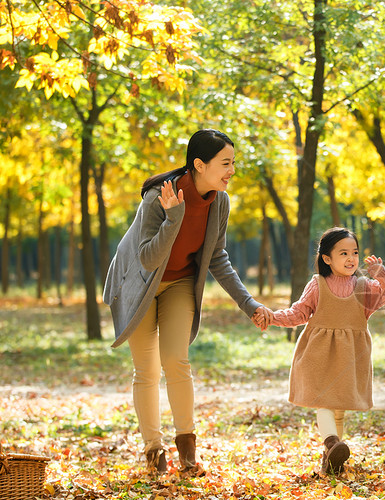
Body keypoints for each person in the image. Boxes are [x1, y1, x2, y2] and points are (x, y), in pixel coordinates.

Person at [103, 129, 274, 476]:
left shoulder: (219, 202)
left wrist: (249, 304)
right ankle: (153, 448)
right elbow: (148, 260)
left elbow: (217, 257)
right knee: (147, 370)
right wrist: (173, 218)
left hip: (180, 281)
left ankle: (187, 449)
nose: (231, 171)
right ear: (199, 164)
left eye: (233, 163)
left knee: (175, 360)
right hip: (139, 284)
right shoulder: (157, 198)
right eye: (225, 163)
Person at [255, 227, 385, 475]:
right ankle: (332, 443)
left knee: (339, 406)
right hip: (318, 355)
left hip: (351, 355)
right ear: (327, 258)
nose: (351, 258)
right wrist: (272, 317)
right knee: (323, 402)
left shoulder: (364, 286)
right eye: (343, 253)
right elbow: (298, 313)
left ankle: (333, 458)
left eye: (354, 252)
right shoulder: (318, 284)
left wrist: (380, 273)